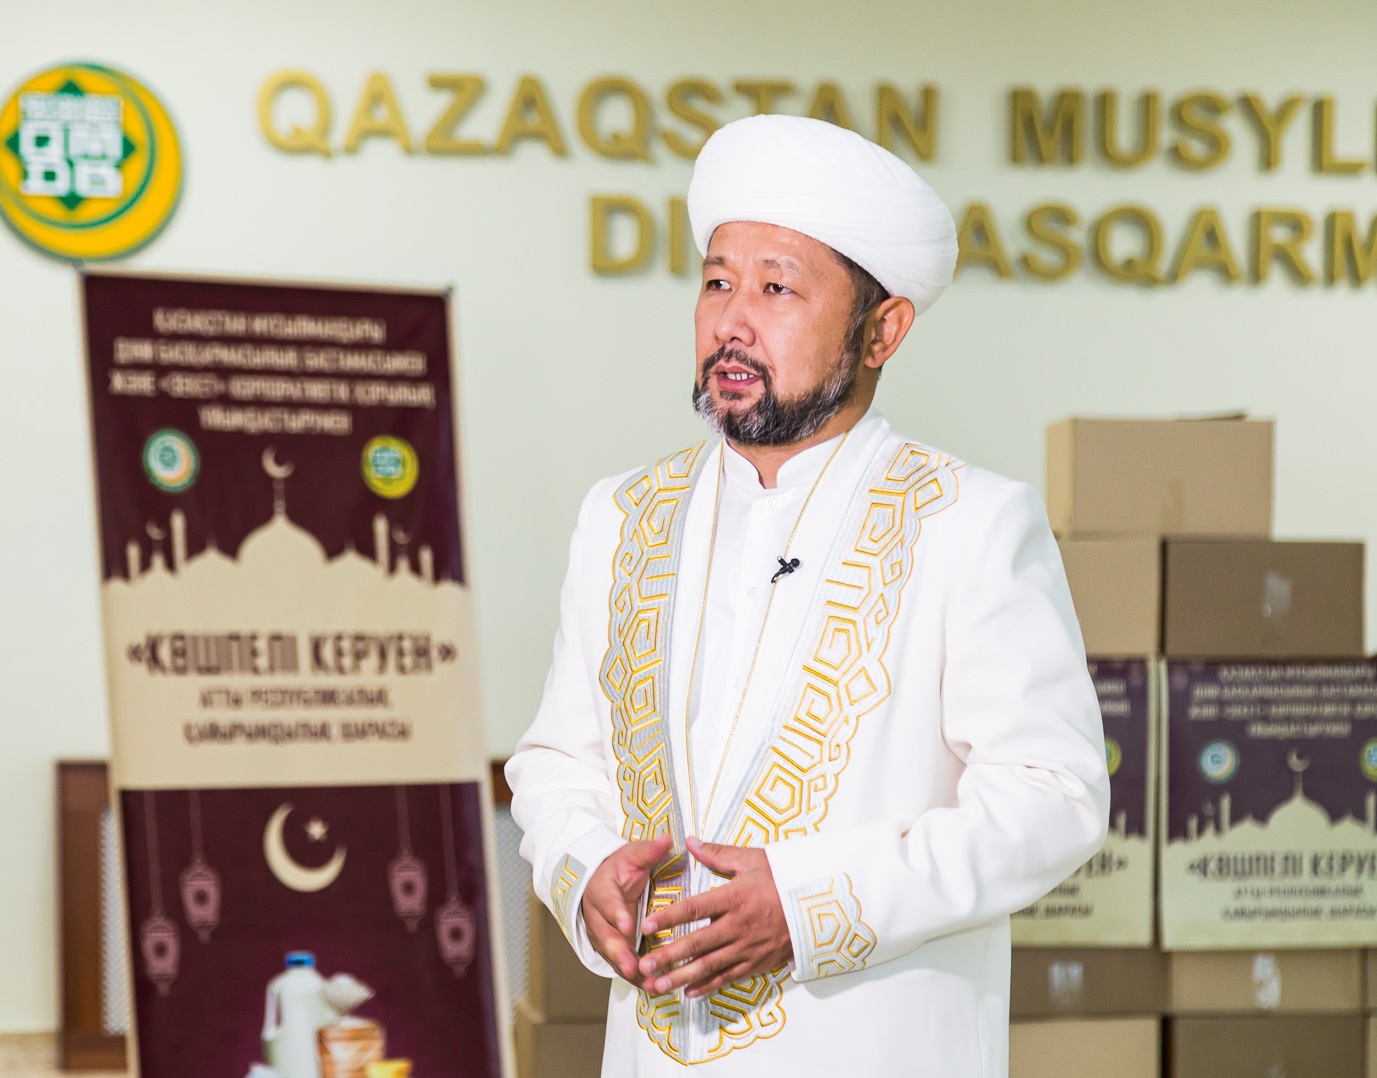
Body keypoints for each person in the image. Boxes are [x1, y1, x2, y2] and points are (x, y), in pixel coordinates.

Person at [505, 114, 1110, 1077]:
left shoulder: (969, 522)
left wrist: (810, 901)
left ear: (882, 330)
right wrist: (583, 874)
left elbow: (1053, 797)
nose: (731, 322)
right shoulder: (620, 516)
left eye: (776, 288)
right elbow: (554, 760)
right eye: (717, 282)